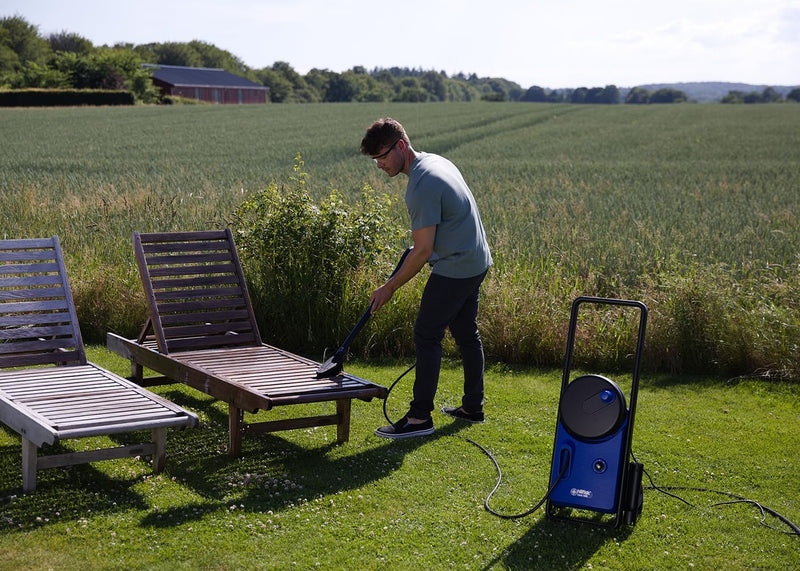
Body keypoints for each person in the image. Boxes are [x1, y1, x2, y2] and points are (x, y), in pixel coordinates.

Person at [360, 117, 493, 439]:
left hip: (456, 267)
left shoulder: (422, 186)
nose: (379, 165)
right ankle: (472, 407)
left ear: (401, 146)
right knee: (465, 332)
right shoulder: (435, 161)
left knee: (426, 335)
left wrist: (388, 287)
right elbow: (433, 235)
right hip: (477, 259)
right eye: (374, 159)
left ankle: (420, 418)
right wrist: (418, 251)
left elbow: (422, 251)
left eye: (382, 156)